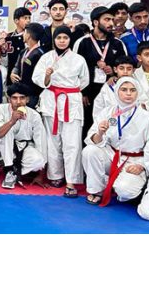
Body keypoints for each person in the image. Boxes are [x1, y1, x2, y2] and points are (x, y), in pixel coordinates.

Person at [32, 26, 89, 197]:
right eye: (59, 37)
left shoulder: (79, 59)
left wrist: (69, 89)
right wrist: (48, 76)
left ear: (69, 40)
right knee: (53, 140)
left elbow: (84, 81)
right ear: (54, 39)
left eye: (65, 37)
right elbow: (37, 79)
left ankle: (71, 180)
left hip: (71, 101)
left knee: (72, 143)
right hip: (51, 100)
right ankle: (56, 175)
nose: (62, 40)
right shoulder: (46, 58)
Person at [82, 77, 149, 206]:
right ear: (117, 92)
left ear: (137, 93)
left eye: (132, 90)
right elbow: (92, 140)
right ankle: (97, 190)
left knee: (124, 190)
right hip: (112, 155)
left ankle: (136, 186)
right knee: (89, 151)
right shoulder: (108, 112)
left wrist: (142, 165)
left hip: (134, 160)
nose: (128, 93)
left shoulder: (147, 117)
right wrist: (100, 133)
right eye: (124, 90)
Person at [73, 6, 128, 136]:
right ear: (96, 22)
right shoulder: (82, 42)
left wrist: (113, 73)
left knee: (111, 127)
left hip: (111, 94)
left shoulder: (117, 43)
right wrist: (81, 92)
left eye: (112, 20)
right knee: (87, 127)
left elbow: (126, 67)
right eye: (107, 19)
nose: (111, 23)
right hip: (88, 94)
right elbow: (74, 70)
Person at [0, 83, 47, 189]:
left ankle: (14, 171)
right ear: (9, 99)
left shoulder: (34, 115)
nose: (18, 102)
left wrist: (41, 175)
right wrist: (11, 121)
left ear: (27, 99)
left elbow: (41, 142)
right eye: (14, 98)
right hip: (4, 146)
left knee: (39, 160)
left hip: (24, 147)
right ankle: (9, 169)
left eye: (22, 98)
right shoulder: (1, 109)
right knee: (7, 130)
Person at [92, 55, 145, 121]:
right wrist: (100, 123)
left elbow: (143, 103)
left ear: (133, 70)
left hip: (133, 123)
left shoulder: (137, 85)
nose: (125, 72)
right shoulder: (108, 86)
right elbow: (98, 107)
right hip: (111, 122)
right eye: (121, 68)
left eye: (129, 69)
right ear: (115, 69)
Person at [120, 2, 149, 67]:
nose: (143, 21)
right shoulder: (124, 38)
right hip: (134, 75)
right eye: (138, 17)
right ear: (130, 18)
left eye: (145, 16)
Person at [10, 23, 45, 108]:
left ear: (28, 35)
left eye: (24, 32)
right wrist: (13, 74)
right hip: (22, 93)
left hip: (33, 95)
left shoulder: (39, 54)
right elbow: (17, 66)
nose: (23, 35)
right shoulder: (23, 51)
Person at [3, 7, 32, 84]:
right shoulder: (8, 37)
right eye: (25, 18)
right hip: (10, 78)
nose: (28, 20)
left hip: (27, 78)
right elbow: (5, 60)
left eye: (29, 18)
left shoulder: (33, 37)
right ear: (16, 21)